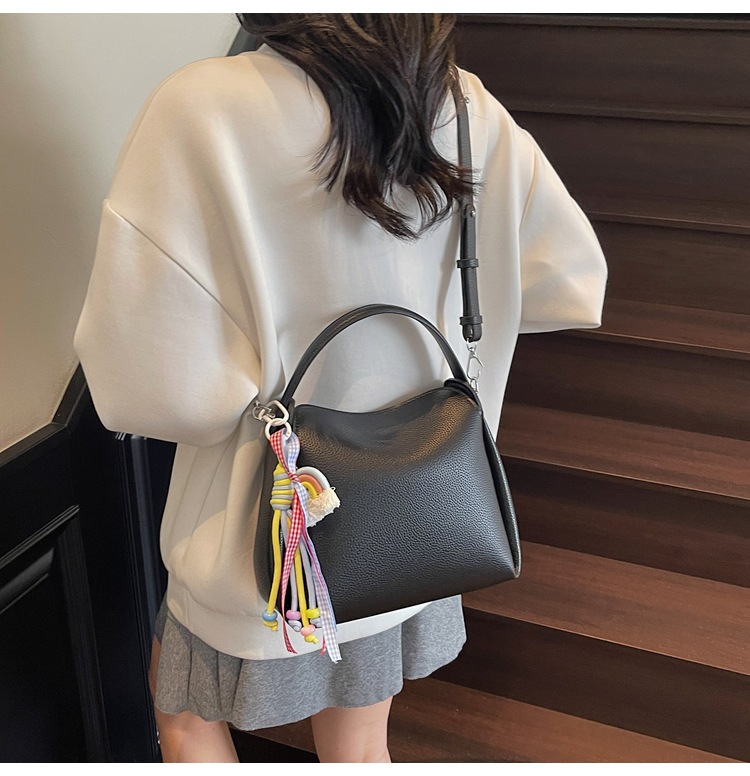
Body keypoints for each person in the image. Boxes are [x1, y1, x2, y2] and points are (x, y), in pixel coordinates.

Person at [73, 13, 607, 763]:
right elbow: (570, 285)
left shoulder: (202, 107)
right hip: (413, 524)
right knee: (359, 750)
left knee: (188, 721)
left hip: (264, 540)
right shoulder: (463, 105)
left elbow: (162, 391)